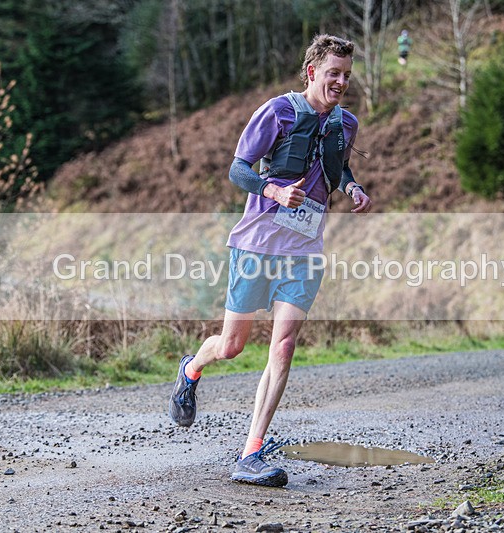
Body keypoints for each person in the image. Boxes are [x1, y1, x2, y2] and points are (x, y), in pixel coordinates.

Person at [168, 34, 371, 487]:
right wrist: (273, 190)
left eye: (346, 75)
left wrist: (353, 187)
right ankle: (192, 368)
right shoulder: (277, 111)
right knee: (232, 346)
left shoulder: (346, 123)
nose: (341, 82)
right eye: (333, 73)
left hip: (304, 249)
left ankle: (251, 452)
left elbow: (338, 167)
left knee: (284, 345)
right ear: (312, 72)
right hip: (257, 243)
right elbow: (238, 169)